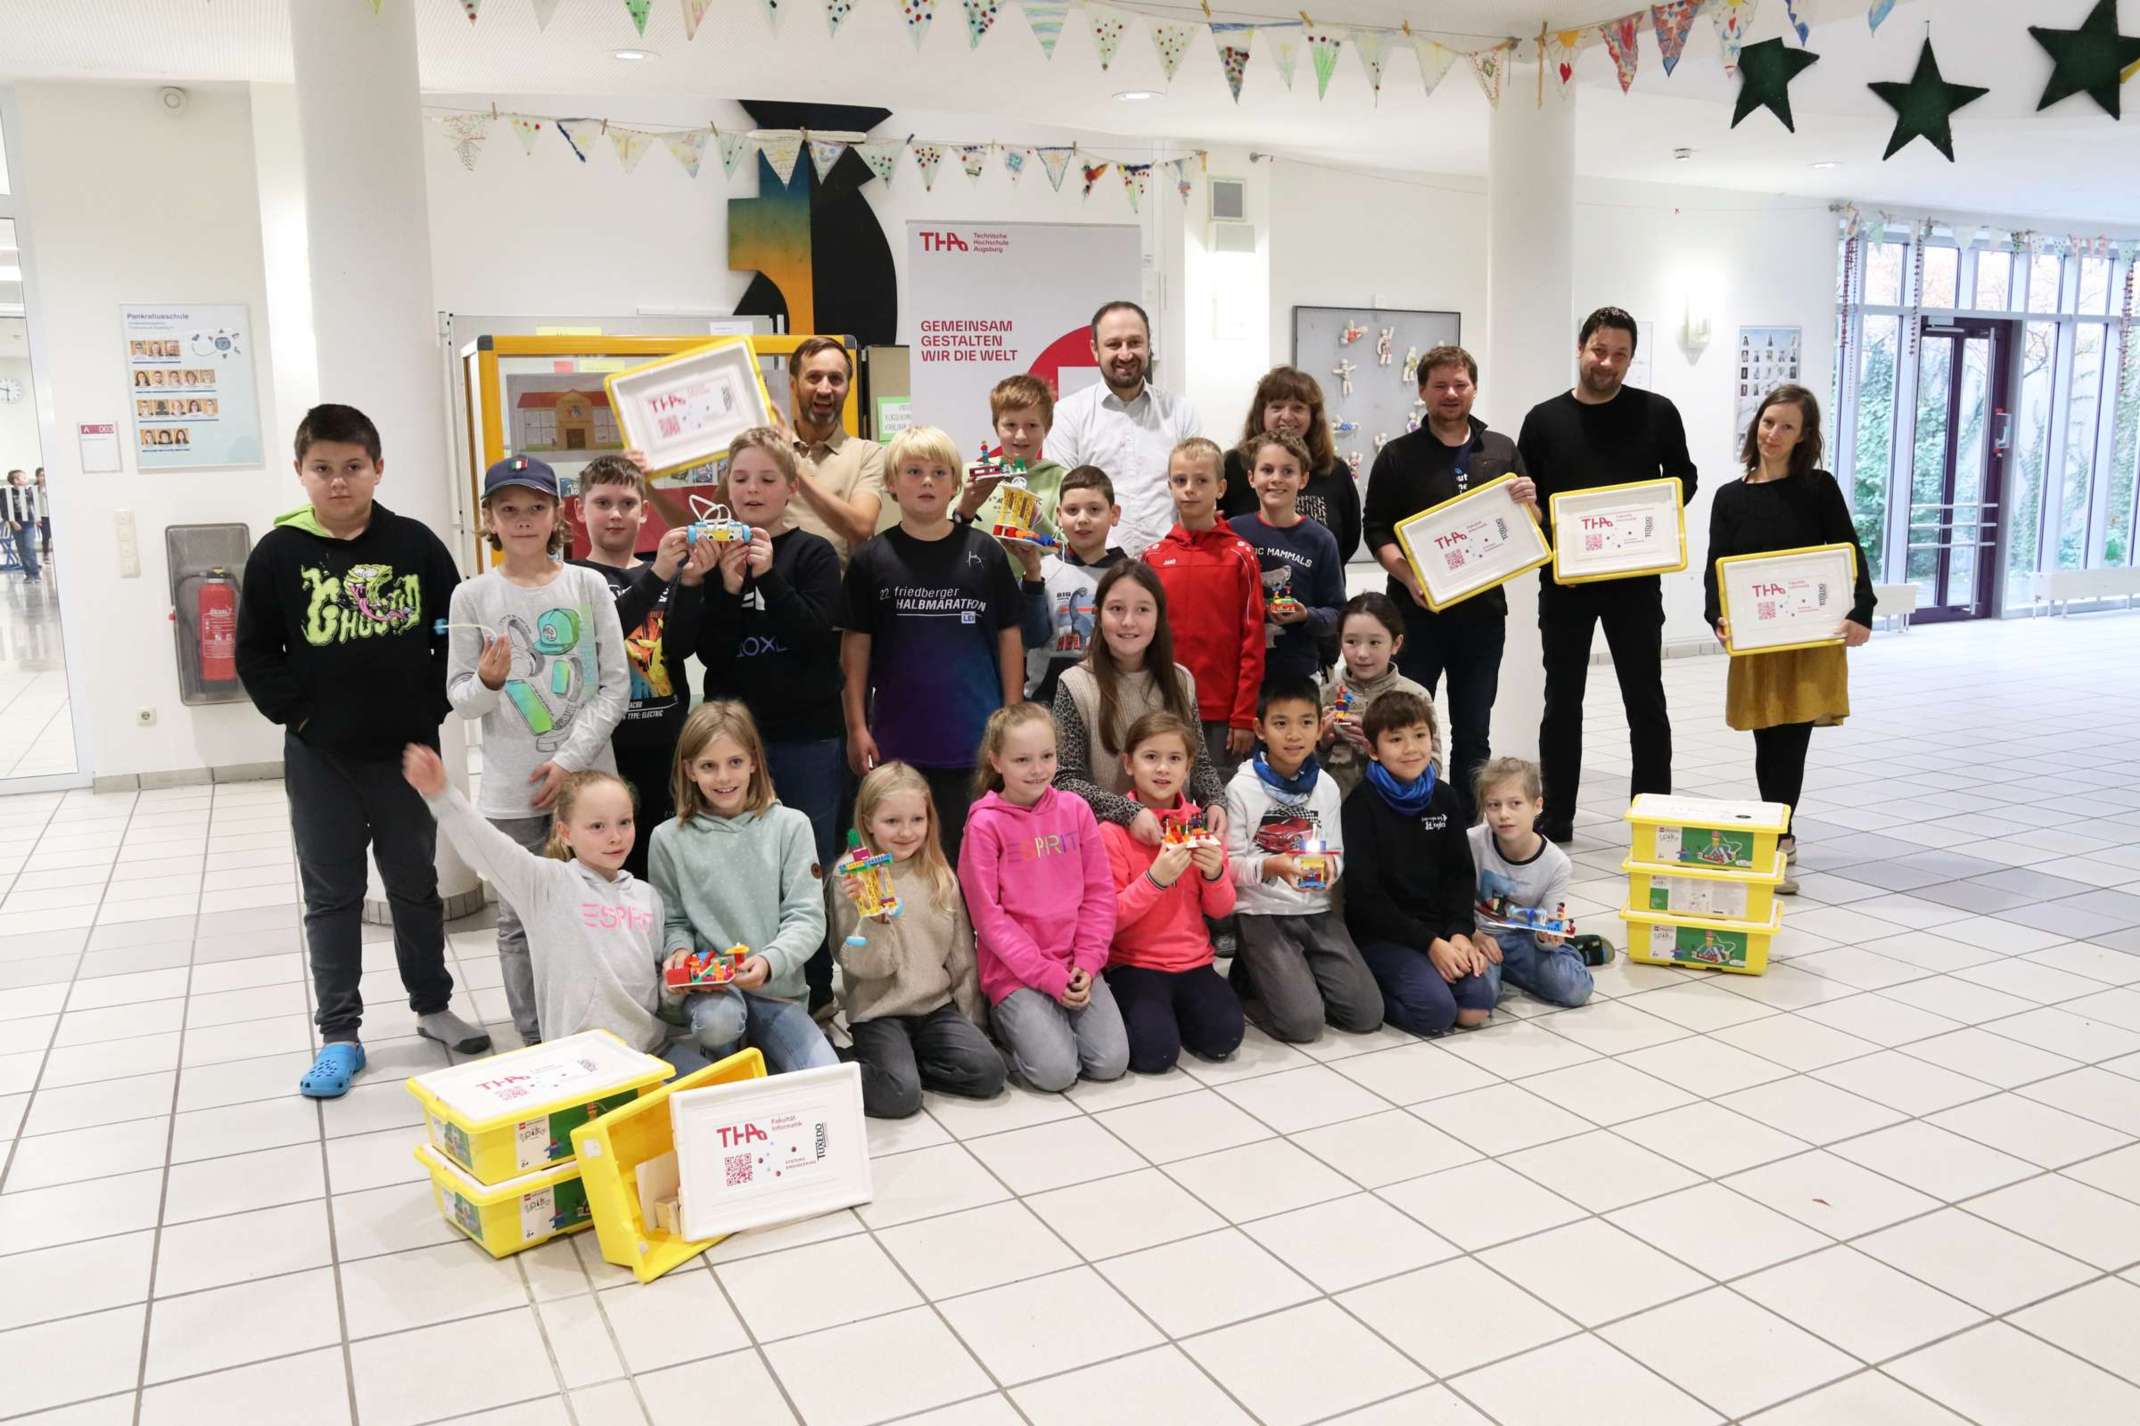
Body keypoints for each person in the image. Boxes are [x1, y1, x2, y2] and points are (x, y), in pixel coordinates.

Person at [234, 404, 486, 1098]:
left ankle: (432, 1006)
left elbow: (453, 633)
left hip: (407, 756)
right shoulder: (278, 554)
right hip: (320, 760)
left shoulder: (415, 544)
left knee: (414, 884)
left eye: (352, 466)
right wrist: (305, 718)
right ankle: (340, 1033)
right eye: (323, 469)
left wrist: (429, 709)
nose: (338, 481)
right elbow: (255, 655)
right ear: (301, 472)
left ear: (378, 468)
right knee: (332, 895)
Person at [446, 456, 630, 1046]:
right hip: (512, 791)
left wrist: (569, 762)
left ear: (557, 514)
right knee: (517, 921)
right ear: (490, 519)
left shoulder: (587, 585)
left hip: (588, 788)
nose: (522, 520)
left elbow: (615, 686)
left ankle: (603, 1024)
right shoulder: (471, 596)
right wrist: (489, 683)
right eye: (509, 509)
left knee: (597, 907)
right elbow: (460, 700)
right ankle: (535, 1039)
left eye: (535, 507)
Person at [1519, 308, 1698, 841]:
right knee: (1562, 701)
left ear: (1631, 358)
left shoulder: (1657, 412)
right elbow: (1527, 504)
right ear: (1580, 348)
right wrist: (1557, 550)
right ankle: (1557, 813)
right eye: (1600, 351)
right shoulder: (1543, 420)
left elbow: (1684, 480)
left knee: (1645, 699)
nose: (1608, 363)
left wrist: (1648, 522)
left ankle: (1654, 813)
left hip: (1635, 582)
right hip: (1566, 583)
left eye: (1621, 355)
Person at [404, 745, 693, 1063]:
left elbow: (656, 989)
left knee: (719, 1084)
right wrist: (442, 795)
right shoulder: (545, 885)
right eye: (597, 826)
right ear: (565, 833)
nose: (615, 837)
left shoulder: (647, 897)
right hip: (580, 1060)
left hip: (649, 1052)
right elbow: (486, 846)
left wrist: (673, 991)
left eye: (624, 822)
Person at [697, 428, 847, 1010]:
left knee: (809, 864)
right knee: (742, 863)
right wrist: (725, 587)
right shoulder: (715, 555)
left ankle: (817, 986)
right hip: (735, 744)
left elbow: (816, 637)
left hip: (808, 736)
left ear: (791, 488)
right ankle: (747, 979)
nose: (752, 489)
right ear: (726, 488)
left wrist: (769, 578)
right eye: (740, 478)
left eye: (766, 478)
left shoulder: (814, 554)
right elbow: (708, 650)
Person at [1704, 384, 1874, 895]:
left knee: (1792, 738)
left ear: (1804, 437)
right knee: (1766, 734)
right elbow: (1717, 568)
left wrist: (1862, 608)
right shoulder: (1730, 497)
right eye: (1768, 422)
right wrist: (1716, 616)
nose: (1773, 434)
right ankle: (1777, 828)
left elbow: (1848, 550)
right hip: (1757, 637)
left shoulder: (1818, 488)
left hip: (1807, 636)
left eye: (1787, 427)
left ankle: (1779, 834)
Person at [1363, 345, 1537, 821]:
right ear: (1422, 391)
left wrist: (1530, 502)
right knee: (1407, 726)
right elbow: (1375, 529)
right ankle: (1408, 819)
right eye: (1439, 385)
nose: (1451, 394)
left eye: (1460, 384)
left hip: (1482, 618)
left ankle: (1463, 828)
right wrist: (1409, 577)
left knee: (1474, 730)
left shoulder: (1500, 450)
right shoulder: (1397, 456)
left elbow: (1530, 527)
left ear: (1474, 388)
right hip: (1415, 615)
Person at [839, 425, 1025, 865]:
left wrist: (1012, 720)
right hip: (896, 744)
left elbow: (1010, 638)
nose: (927, 481)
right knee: (904, 861)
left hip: (976, 743)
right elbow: (855, 651)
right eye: (914, 471)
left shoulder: (986, 553)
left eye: (939, 472)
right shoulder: (870, 560)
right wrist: (856, 727)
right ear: (891, 483)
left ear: (956, 484)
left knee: (973, 862)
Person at [650, 700, 836, 1074]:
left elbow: (807, 918)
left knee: (824, 1075)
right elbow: (673, 921)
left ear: (753, 761)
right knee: (718, 1024)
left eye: (734, 762)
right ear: (689, 770)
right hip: (713, 995)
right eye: (709, 766)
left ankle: (756, 1049)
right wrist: (680, 953)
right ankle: (725, 1057)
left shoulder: (792, 826)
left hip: (778, 992)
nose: (724, 777)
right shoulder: (667, 838)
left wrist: (770, 962)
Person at [959, 702, 1126, 1092]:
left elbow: (1100, 895)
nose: (1037, 769)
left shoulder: (1076, 809)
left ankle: (1051, 1023)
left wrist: (1088, 961)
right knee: (1056, 1074)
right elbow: (989, 920)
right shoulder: (985, 824)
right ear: (996, 761)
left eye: (1047, 756)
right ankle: (1003, 1022)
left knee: (1110, 1062)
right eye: (1022, 760)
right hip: (1016, 973)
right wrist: (1047, 976)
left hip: (1075, 963)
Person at [830, 762, 1006, 1118]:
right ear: (867, 822)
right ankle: (833, 1064)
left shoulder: (939, 873)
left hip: (934, 1008)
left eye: (917, 820)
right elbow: (859, 965)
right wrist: (876, 921)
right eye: (892, 821)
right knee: (900, 1098)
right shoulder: (851, 877)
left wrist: (974, 1023)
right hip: (880, 1012)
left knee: (990, 1073)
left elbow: (961, 956)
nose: (907, 832)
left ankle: (902, 1067)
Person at [571, 454, 712, 881]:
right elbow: (596, 642)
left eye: (627, 503)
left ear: (645, 511)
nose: (615, 514)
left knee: (666, 865)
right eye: (602, 503)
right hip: (604, 749)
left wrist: (690, 583)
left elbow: (681, 648)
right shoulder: (573, 578)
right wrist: (658, 577)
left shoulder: (665, 573)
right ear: (579, 509)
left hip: (666, 743)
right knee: (608, 866)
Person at [1225, 678, 1382, 1044]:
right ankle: (1250, 978)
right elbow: (1229, 866)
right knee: (1304, 1025)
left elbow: (1336, 854)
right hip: (1262, 912)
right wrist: (1272, 866)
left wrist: (1329, 871)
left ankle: (1292, 976)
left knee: (1366, 1014)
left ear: (1319, 728)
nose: (1294, 734)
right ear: (1260, 729)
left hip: (1316, 910)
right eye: (1281, 723)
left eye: (1306, 722)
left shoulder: (1325, 786)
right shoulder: (1241, 788)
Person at [1341, 690, 1497, 1036]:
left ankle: (1430, 975)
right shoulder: (1360, 805)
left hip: (1438, 930)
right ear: (1373, 750)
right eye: (1395, 739)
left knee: (1476, 1008)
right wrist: (1429, 944)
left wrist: (1459, 933)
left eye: (1419, 735)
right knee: (1436, 1014)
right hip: (1383, 935)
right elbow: (1366, 898)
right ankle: (1372, 985)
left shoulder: (1444, 797)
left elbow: (1459, 874)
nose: (1410, 748)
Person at [1102, 711, 1245, 1074]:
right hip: (1133, 964)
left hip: (1194, 962)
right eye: (1151, 757)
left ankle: (1173, 1014)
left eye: (1175, 758)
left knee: (1224, 1038)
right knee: (1155, 1055)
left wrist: (1214, 873)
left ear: (1188, 767)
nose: (1163, 769)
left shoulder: (1199, 822)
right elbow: (1109, 920)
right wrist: (1155, 880)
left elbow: (1221, 910)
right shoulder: (1111, 832)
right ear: (1129, 763)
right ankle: (1156, 1018)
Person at [1052, 560, 1230, 843]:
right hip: (1106, 844)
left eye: (1143, 610)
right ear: (1098, 614)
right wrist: (1129, 811)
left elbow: (1198, 762)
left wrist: (1215, 800)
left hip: (1174, 840)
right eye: (1116, 609)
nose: (1128, 622)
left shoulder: (1181, 680)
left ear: (1159, 617)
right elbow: (1064, 780)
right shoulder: (1074, 684)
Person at [1143, 438, 1264, 773]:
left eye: (1201, 480)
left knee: (1218, 797)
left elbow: (1253, 639)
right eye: (1180, 480)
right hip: (1163, 707)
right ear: (1169, 486)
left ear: (1220, 488)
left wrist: (1243, 714)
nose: (1190, 489)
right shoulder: (1153, 557)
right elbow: (1142, 640)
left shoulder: (1240, 555)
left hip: (1222, 715)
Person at [1044, 301, 1202, 555]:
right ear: (1095, 350)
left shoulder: (1180, 412)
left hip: (1170, 564)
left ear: (1149, 345)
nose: (1126, 354)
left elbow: (1198, 494)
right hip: (1094, 567)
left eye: (1135, 342)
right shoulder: (1067, 415)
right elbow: (1062, 501)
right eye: (1114, 344)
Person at [1470, 757, 1603, 1010]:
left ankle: (1573, 952)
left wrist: (1549, 938)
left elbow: (1548, 923)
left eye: (1515, 804)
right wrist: (1473, 935)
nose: (1504, 814)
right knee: (1478, 997)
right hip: (1477, 934)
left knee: (1573, 988)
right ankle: (1507, 972)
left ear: (1537, 805)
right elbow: (1451, 901)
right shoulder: (1471, 843)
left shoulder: (1557, 864)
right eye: (1494, 805)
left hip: (1522, 939)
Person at [1228, 432, 1344, 690]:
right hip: (1238, 673)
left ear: (1303, 479)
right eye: (1267, 470)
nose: (1276, 479)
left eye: (1288, 471)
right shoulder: (1231, 532)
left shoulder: (1321, 540)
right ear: (1251, 477)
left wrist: (1306, 615)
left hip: (1297, 673)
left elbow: (1337, 613)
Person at [1219, 366, 1361, 565]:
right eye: (1277, 407)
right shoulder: (1234, 466)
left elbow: (1348, 540)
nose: (1286, 416)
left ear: (1313, 416)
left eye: (1298, 408)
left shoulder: (1334, 470)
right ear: (1262, 413)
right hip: (1247, 583)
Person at [781, 336, 887, 564]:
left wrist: (791, 468)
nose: (825, 389)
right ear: (793, 385)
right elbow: (724, 514)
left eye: (835, 379)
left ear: (848, 387)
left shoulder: (868, 454)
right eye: (814, 377)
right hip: (771, 585)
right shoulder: (767, 449)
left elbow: (861, 528)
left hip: (841, 586)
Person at [1025, 465, 1125, 704]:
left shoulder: (1129, 576)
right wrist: (1032, 580)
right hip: (1049, 703)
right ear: (1059, 515)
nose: (1082, 519)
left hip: (1112, 702)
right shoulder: (1040, 571)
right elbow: (1029, 639)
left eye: (1094, 509)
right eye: (1072, 510)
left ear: (1114, 514)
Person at [1320, 593, 1429, 798]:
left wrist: (1380, 743)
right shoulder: (1325, 696)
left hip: (1395, 809)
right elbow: (1299, 771)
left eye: (1374, 643)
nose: (1362, 653)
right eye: (1351, 641)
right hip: (1337, 809)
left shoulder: (1416, 696)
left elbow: (1432, 768)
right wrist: (1321, 744)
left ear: (1396, 644)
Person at [956, 373, 1069, 545]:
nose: (1021, 436)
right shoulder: (969, 475)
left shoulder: (1063, 481)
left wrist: (1036, 519)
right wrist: (965, 509)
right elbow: (941, 542)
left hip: (1040, 565)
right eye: (1010, 425)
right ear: (996, 427)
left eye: (1032, 425)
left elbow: (1070, 552)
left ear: (1047, 428)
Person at [3, 471, 40, 584]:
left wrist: (37, 519)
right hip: (16, 525)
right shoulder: (7, 493)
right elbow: (5, 510)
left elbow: (34, 506)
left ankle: (35, 574)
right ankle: (29, 574)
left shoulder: (29, 491)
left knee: (29, 548)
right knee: (22, 550)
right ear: (16, 481)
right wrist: (13, 522)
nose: (26, 479)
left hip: (29, 524)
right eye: (23, 477)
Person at [34, 468, 49, 560]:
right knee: (46, 536)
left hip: (52, 516)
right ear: (37, 477)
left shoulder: (51, 486)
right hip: (42, 517)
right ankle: (45, 554)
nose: (43, 477)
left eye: (44, 475)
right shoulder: (34, 489)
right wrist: (37, 519)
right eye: (41, 475)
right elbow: (33, 505)